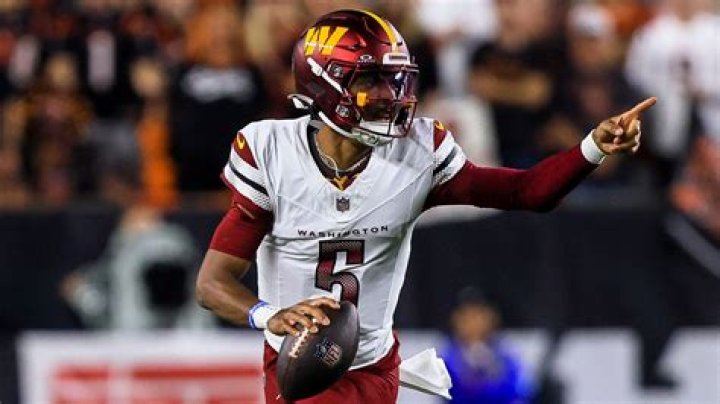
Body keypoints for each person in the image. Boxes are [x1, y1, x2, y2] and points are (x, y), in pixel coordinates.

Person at [195, 9, 655, 404]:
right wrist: (268, 314)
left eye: (393, 80)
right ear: (323, 84)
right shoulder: (273, 153)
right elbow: (213, 283)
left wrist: (593, 147)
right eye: (370, 81)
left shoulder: (417, 154)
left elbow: (526, 192)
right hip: (300, 363)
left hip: (375, 364)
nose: (388, 95)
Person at [442, 288, 533, 404]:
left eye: (478, 315)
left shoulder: (504, 354)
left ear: (492, 318)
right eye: (467, 317)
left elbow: (520, 389)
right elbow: (453, 393)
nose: (473, 323)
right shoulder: (446, 357)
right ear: (455, 319)